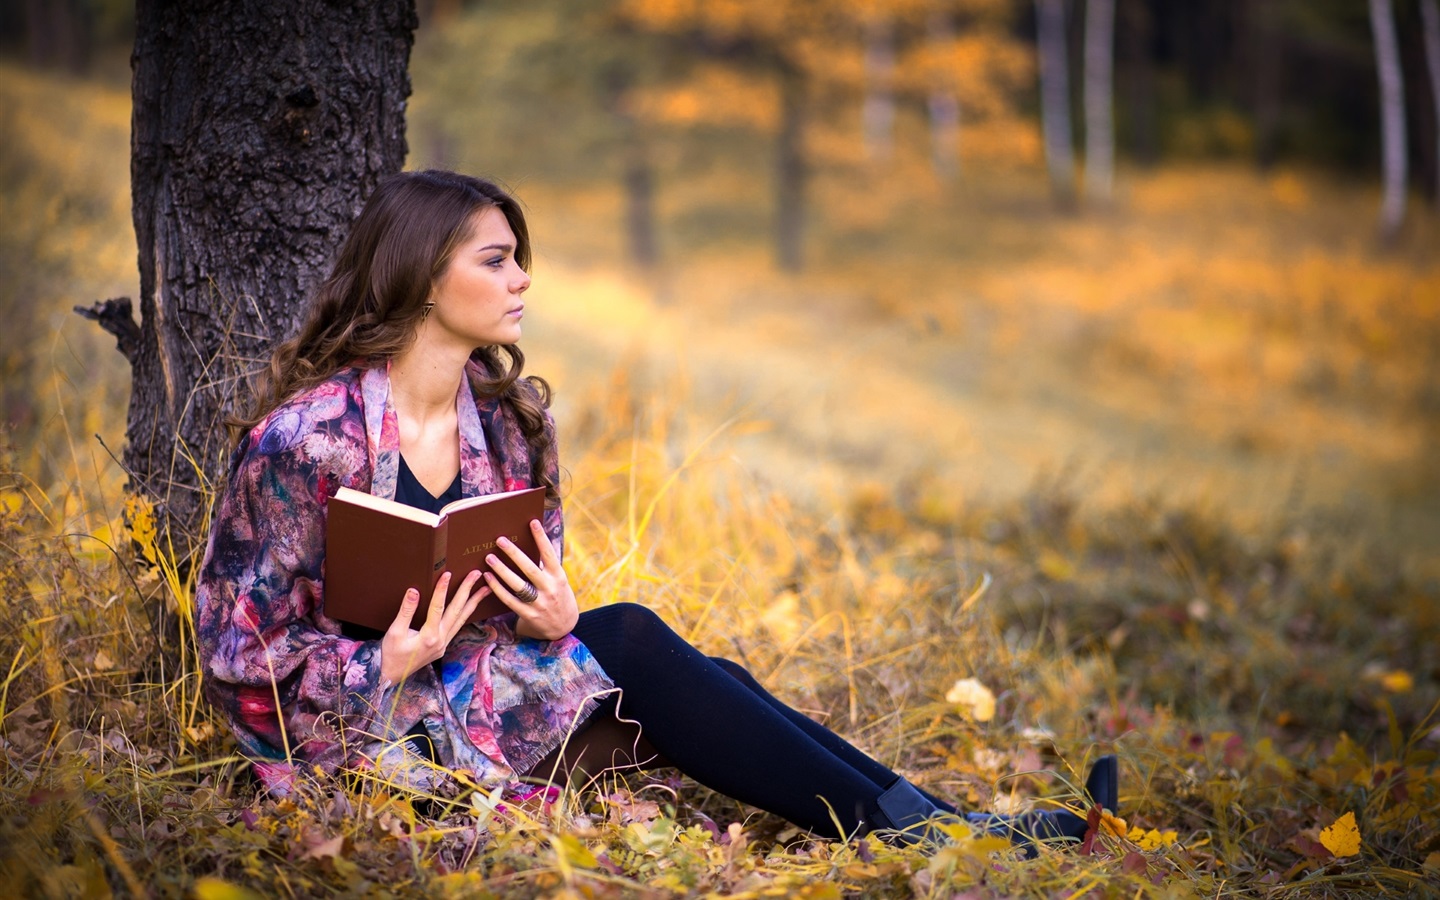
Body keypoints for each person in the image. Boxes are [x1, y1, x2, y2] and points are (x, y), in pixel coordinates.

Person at [196, 169, 1117, 851]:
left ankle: (951, 832)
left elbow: (528, 603)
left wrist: (548, 615)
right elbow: (239, 662)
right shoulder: (304, 445)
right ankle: (943, 834)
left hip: (493, 705)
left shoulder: (513, 424)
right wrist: (383, 661)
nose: (522, 279)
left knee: (701, 673)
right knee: (632, 639)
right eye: (498, 259)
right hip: (372, 745)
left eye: (521, 259)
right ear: (425, 277)